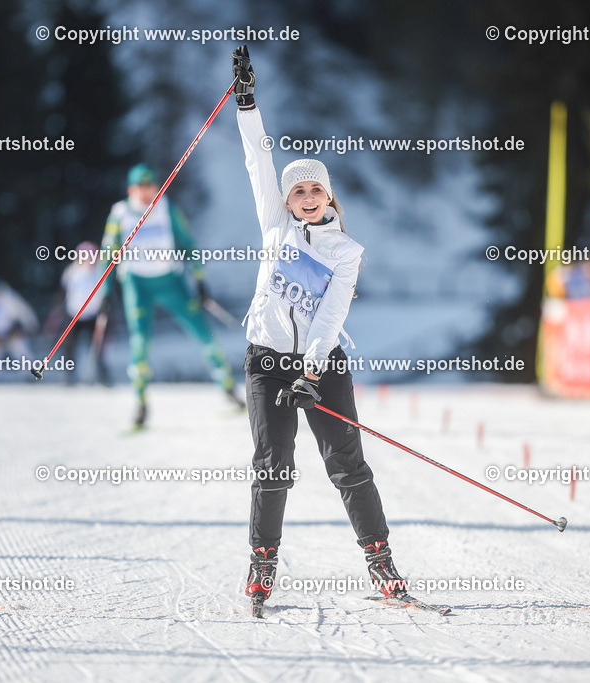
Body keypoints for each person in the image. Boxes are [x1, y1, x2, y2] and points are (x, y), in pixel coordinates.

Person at [231, 45, 407, 612]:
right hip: (266, 359)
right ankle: (262, 567)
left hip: (321, 362)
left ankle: (382, 562)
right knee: (273, 465)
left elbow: (331, 316)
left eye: (315, 190)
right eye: (297, 191)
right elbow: (258, 159)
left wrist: (311, 366)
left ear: (329, 196)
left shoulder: (346, 252)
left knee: (347, 464)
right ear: (287, 201)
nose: (306, 198)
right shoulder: (272, 225)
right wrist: (247, 104)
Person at [101, 163, 243, 428]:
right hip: (137, 284)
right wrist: (106, 292)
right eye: (140, 188)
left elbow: (188, 243)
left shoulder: (166, 208)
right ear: (131, 189)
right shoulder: (120, 214)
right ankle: (141, 403)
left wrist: (200, 280)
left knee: (203, 334)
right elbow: (108, 253)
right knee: (140, 344)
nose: (146, 194)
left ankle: (229, 388)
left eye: (150, 187)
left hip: (170, 281)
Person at [58, 241, 112, 386]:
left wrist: (106, 305)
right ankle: (70, 376)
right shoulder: (71, 271)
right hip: (74, 314)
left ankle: (103, 377)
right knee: (69, 345)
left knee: (98, 346)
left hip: (94, 315)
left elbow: (106, 291)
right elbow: (64, 290)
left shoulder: (100, 271)